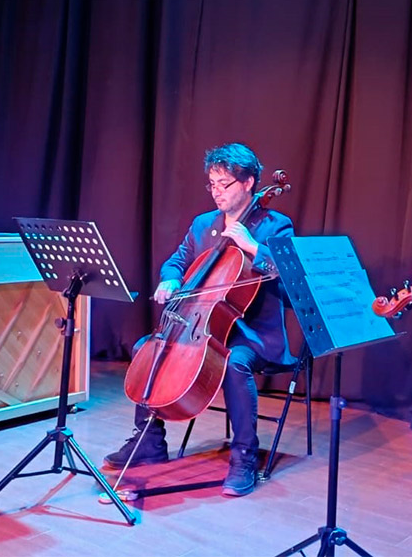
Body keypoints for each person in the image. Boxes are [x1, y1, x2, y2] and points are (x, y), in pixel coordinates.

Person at [103, 142, 296, 497]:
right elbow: (177, 261)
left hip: (252, 332)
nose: (217, 193)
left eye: (225, 184)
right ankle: (149, 442)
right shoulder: (203, 224)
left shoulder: (276, 226)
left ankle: (243, 457)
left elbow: (289, 276)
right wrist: (169, 278)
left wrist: (252, 246)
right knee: (148, 347)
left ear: (249, 182)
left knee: (235, 363)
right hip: (201, 323)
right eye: (212, 184)